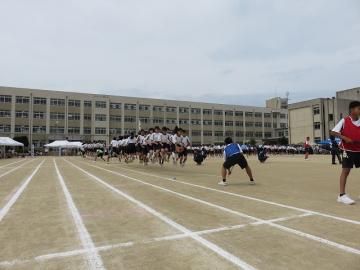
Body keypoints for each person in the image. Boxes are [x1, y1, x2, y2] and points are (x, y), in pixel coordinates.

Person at [330, 101, 360, 205]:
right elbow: (333, 132)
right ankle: (342, 195)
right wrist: (345, 138)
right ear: (352, 110)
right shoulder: (344, 121)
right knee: (346, 171)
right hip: (347, 150)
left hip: (359, 149)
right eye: (358, 108)